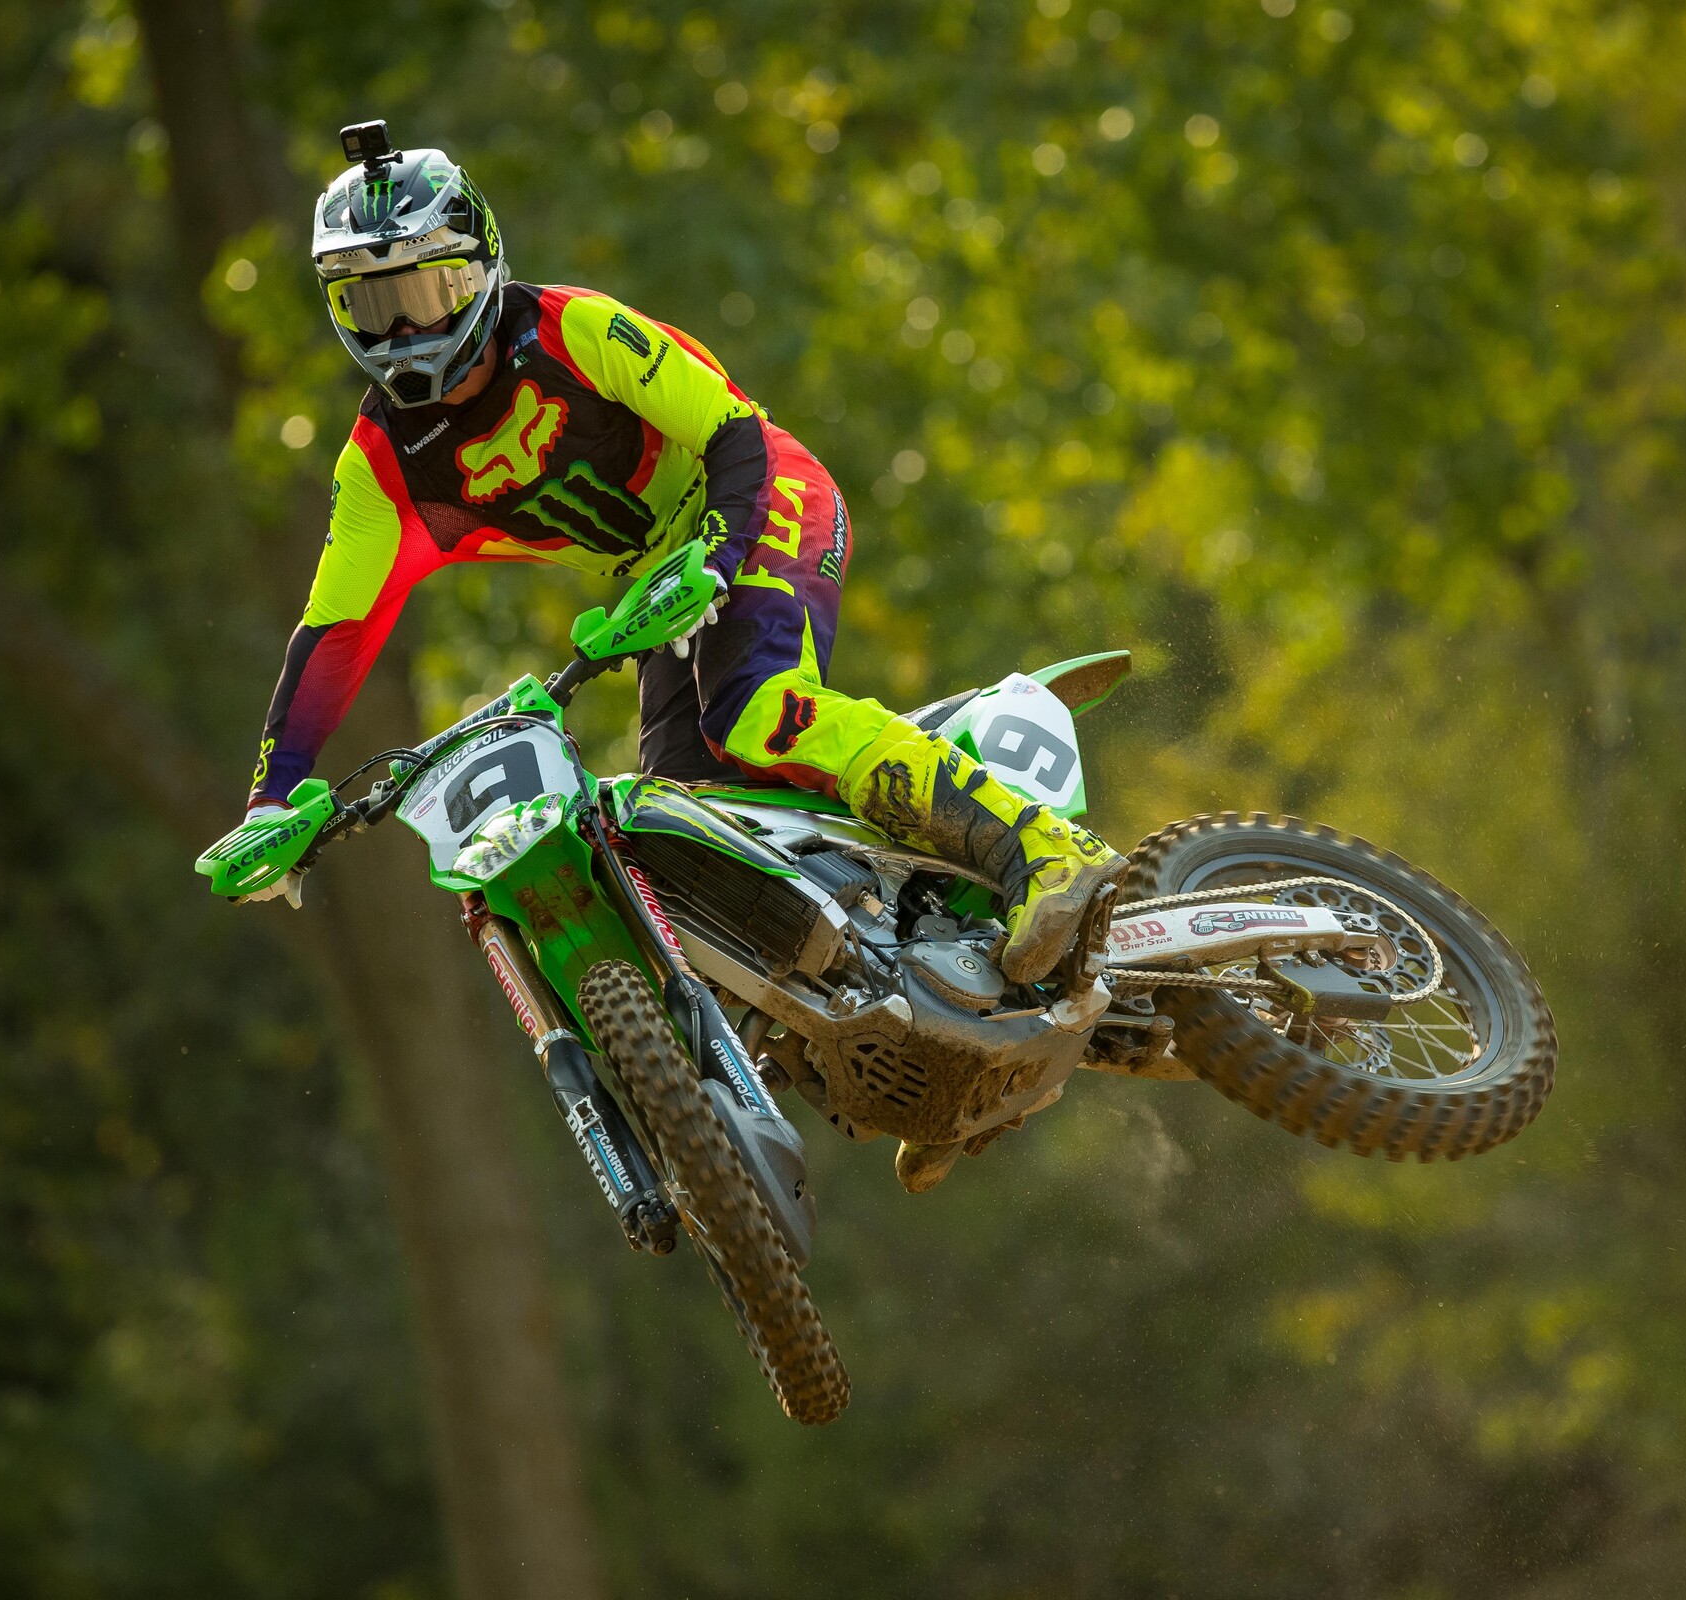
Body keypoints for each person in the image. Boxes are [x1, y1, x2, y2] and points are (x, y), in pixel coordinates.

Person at [222, 122, 1121, 986]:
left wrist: (721, 555)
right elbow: (334, 634)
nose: (404, 332)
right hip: (660, 582)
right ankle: (886, 970)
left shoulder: (573, 329)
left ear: (481, 264)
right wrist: (273, 799)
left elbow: (733, 428)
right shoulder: (380, 467)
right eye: (372, 306)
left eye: (424, 296)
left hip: (759, 499)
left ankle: (1041, 846)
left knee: (757, 710)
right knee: (682, 832)